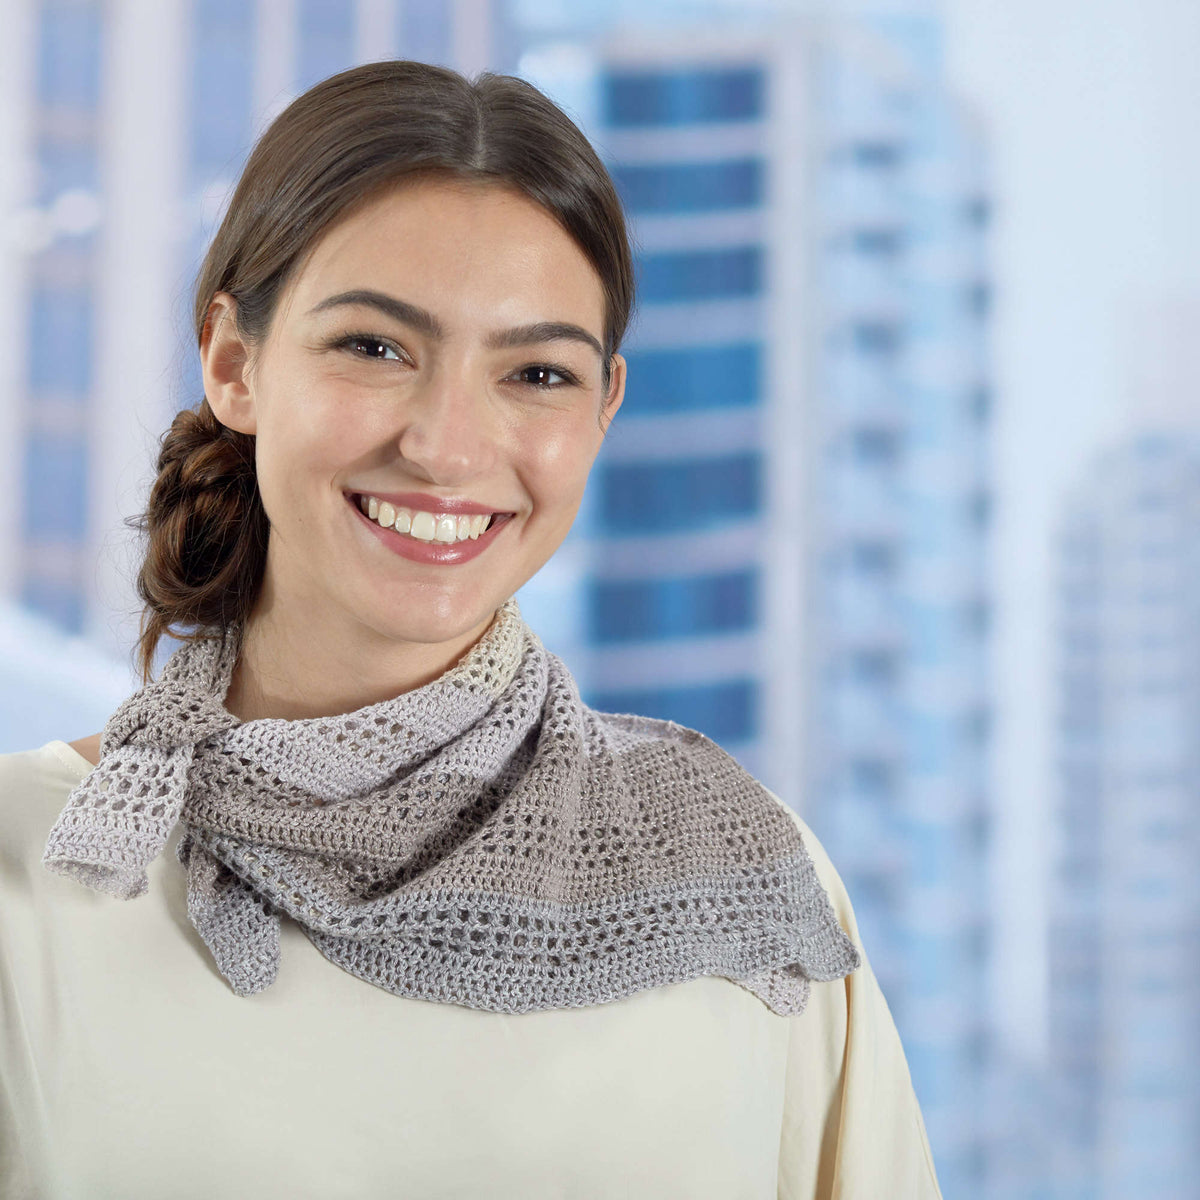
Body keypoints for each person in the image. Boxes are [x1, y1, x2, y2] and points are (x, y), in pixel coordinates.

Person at [0, 61, 941, 1198]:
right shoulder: (30, 876)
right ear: (235, 364)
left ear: (604, 413)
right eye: (375, 347)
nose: (447, 447)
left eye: (536, 372)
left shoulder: (743, 886)